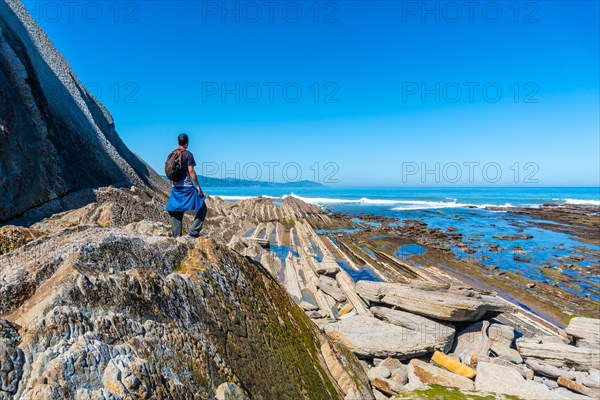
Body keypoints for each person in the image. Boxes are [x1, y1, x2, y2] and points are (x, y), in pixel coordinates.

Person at [165, 133, 207, 237]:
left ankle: (177, 236)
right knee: (202, 207)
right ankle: (194, 230)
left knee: (175, 210)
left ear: (178, 142)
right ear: (187, 143)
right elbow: (191, 170)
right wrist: (197, 186)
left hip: (175, 188)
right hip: (187, 188)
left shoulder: (172, 154)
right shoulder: (188, 154)